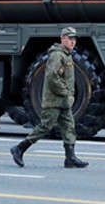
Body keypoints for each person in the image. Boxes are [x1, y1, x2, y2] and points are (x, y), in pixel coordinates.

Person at [10, 27, 88, 168]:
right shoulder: (57, 55)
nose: (72, 42)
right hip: (55, 101)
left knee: (69, 127)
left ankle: (70, 158)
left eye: (74, 39)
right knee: (45, 127)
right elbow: (52, 77)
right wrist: (65, 92)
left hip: (64, 101)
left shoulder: (67, 55)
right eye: (69, 39)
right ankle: (19, 148)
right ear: (62, 39)